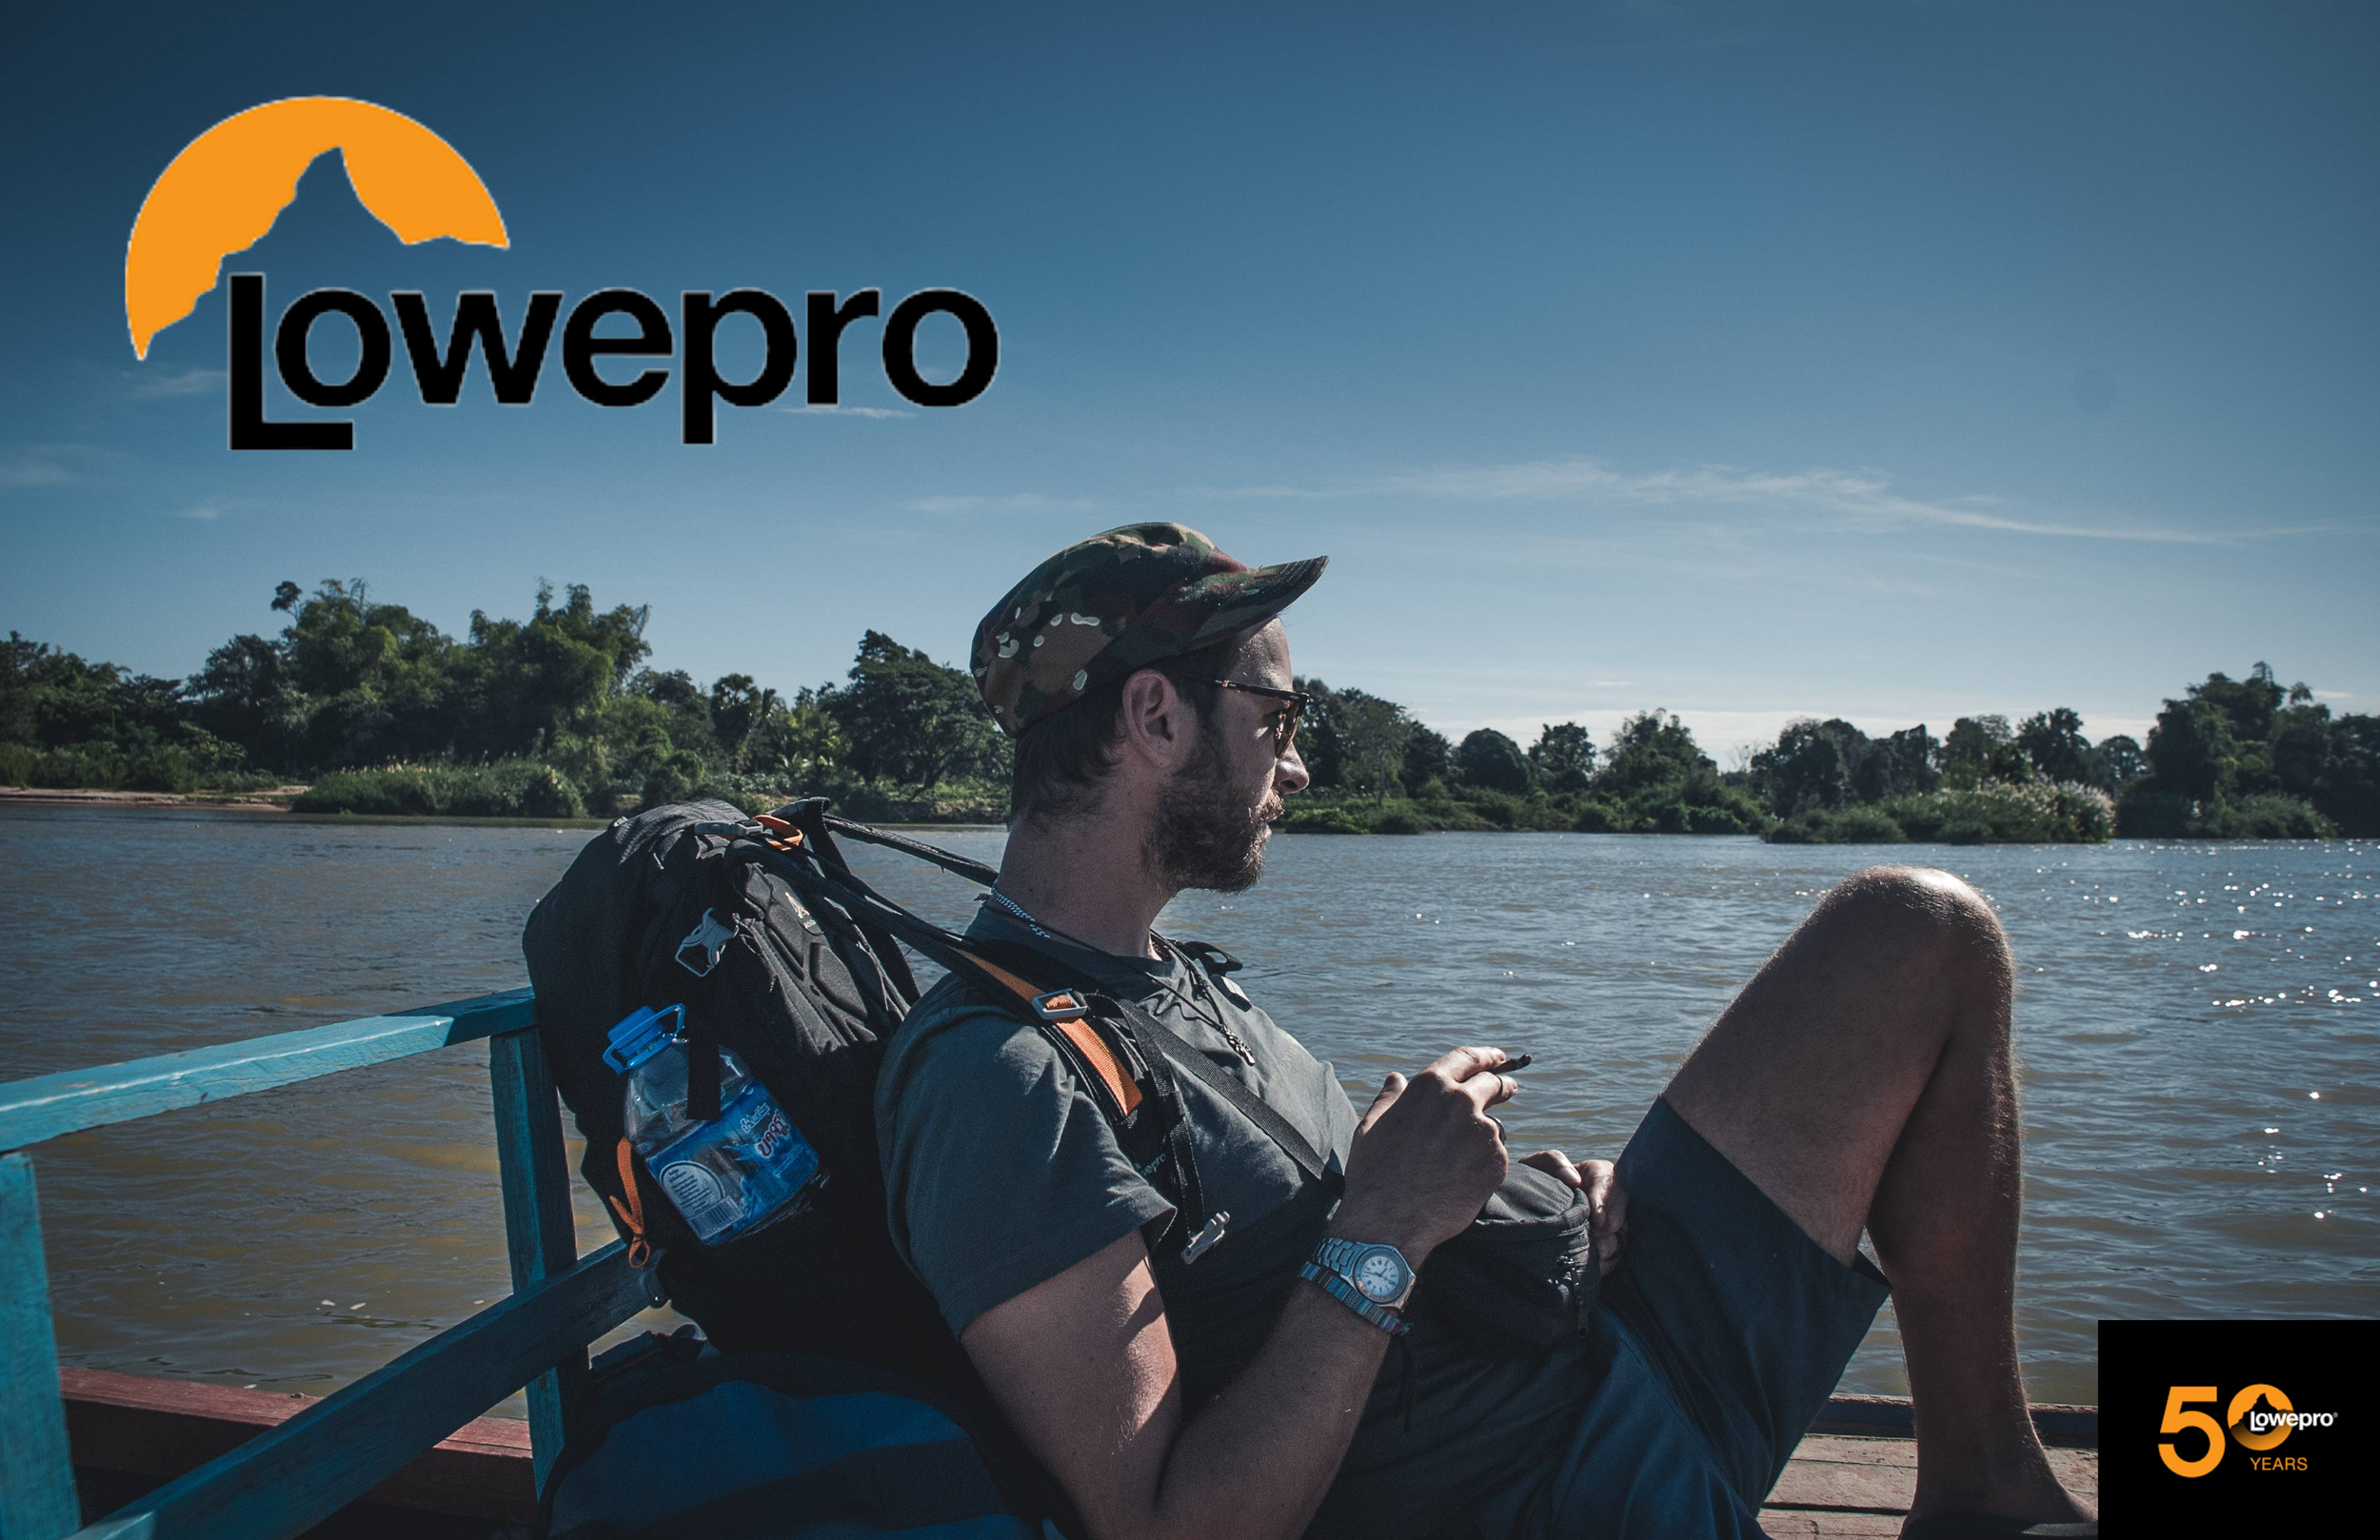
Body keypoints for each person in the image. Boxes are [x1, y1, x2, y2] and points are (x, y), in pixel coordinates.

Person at [876, 523, 2098, 1540]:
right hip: (1553, 1490)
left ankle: (1982, 1489)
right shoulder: (1000, 1075)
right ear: (1153, 716)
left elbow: (1295, 1228)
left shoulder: (1165, 978)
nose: (1295, 766)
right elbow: (1162, 1529)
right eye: (1279, 714)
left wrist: (1501, 1202)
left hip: (1594, 1339)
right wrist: (1389, 1226)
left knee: (1914, 934)